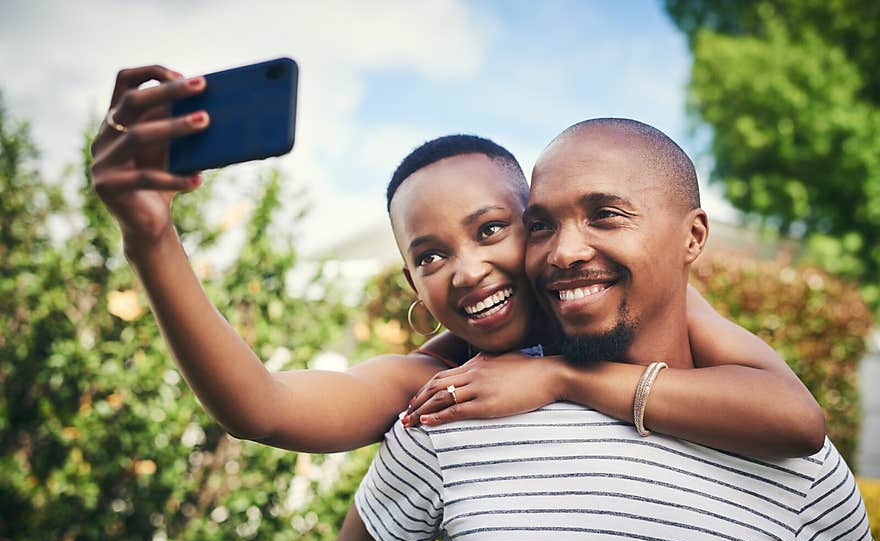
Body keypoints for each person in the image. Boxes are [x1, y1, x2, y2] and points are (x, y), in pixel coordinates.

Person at [90, 66, 824, 463]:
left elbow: (796, 417)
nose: (467, 270)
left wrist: (560, 376)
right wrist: (151, 240)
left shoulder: (640, 314)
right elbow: (264, 407)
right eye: (431, 255)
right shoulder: (440, 380)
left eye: (495, 228)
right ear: (413, 285)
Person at [320, 118, 879, 541]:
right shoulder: (461, 408)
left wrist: (564, 377)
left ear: (693, 237)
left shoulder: (792, 460)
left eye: (605, 215)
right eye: (540, 225)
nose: (563, 252)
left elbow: (802, 422)